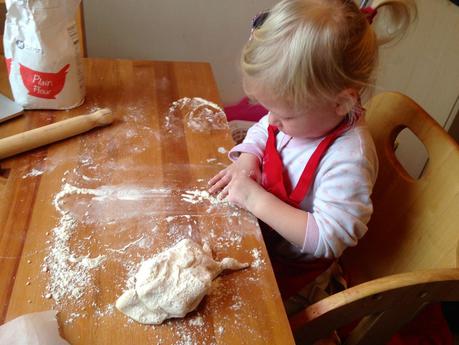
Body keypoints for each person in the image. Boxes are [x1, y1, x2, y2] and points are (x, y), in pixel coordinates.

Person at [208, 0, 416, 301]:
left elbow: (328, 236)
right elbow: (262, 130)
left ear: (342, 103)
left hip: (295, 271)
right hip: (263, 236)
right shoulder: (301, 114)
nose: (273, 121)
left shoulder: (349, 159)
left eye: (285, 115)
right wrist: (248, 158)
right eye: (269, 109)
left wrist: (254, 198)